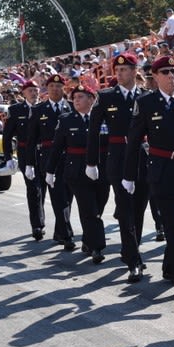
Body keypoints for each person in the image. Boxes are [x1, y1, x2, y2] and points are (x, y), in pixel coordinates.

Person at [123, 56, 174, 298]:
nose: (172, 75)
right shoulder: (146, 103)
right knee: (173, 228)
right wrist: (129, 175)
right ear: (155, 76)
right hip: (162, 172)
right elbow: (133, 142)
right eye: (165, 71)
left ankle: (168, 266)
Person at [86, 53, 149, 283]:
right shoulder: (105, 97)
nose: (120, 73)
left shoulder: (146, 96)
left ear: (134, 71)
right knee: (125, 210)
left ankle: (131, 248)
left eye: (124, 70)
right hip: (118, 157)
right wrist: (91, 162)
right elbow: (93, 131)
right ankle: (133, 260)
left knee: (140, 208)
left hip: (142, 157)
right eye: (117, 70)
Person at [45, 85, 107, 264]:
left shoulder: (101, 118)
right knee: (89, 209)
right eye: (75, 97)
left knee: (99, 206)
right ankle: (97, 247)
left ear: (91, 99)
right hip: (76, 170)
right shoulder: (66, 120)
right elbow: (57, 148)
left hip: (101, 169)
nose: (76, 100)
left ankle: (88, 240)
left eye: (81, 97)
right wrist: (50, 171)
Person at [25, 74, 75, 248]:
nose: (55, 89)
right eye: (52, 86)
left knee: (68, 197)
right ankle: (67, 236)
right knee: (58, 197)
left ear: (64, 88)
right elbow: (31, 139)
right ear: (47, 89)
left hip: (69, 157)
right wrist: (30, 163)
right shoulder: (39, 110)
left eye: (58, 86)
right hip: (48, 159)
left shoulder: (70, 107)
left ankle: (59, 232)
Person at [2, 80, 45, 241]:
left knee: (45, 189)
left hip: (45, 152)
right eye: (30, 90)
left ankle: (46, 223)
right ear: (23, 93)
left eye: (36, 90)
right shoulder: (15, 110)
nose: (34, 93)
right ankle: (37, 225)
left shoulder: (45, 108)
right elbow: (7, 136)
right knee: (33, 190)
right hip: (26, 153)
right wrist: (8, 157)